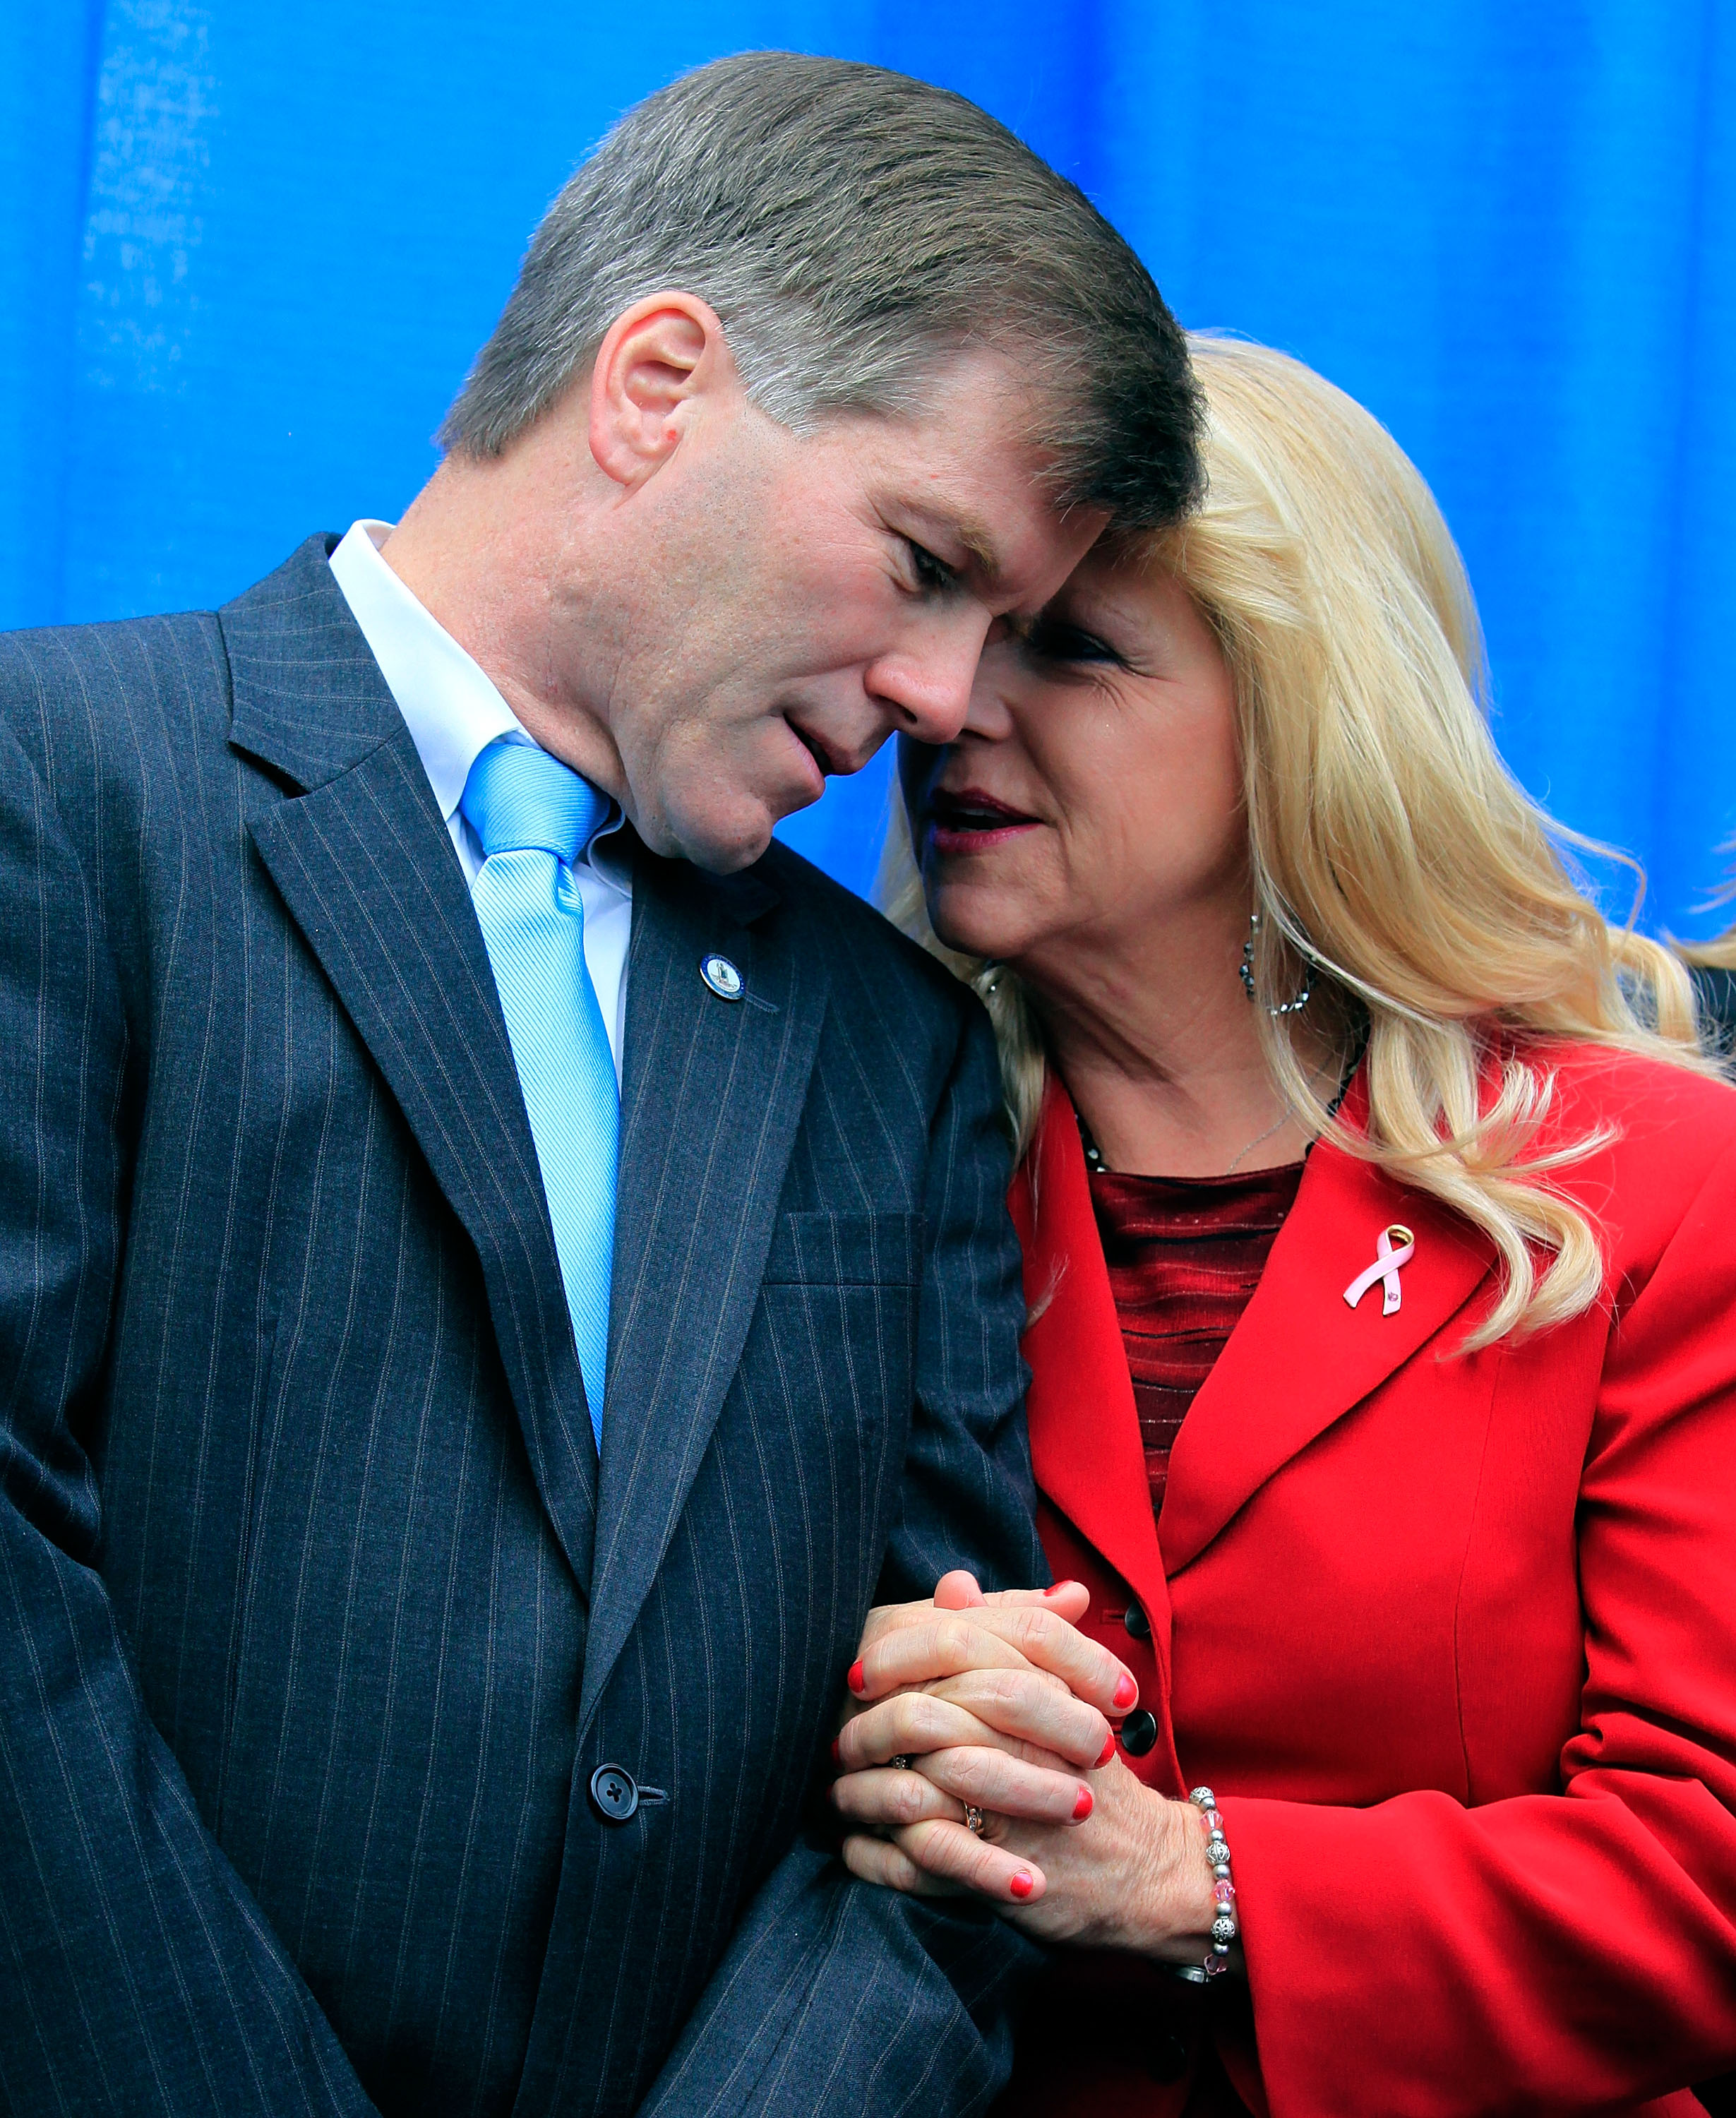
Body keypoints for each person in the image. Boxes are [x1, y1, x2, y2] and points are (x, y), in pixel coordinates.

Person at [0, 55, 1207, 2117]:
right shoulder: (58, 788)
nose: (943, 701)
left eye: (1008, 628)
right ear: (654, 383)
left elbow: (944, 1783)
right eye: (926, 563)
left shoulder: (891, 1048)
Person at [828, 337, 1736, 2115]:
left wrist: (1185, 1880)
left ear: (1310, 719)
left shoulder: (1649, 1185)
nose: (948, 704)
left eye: (1072, 650)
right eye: (955, 618)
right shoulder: (829, 1161)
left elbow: (1706, 1867)